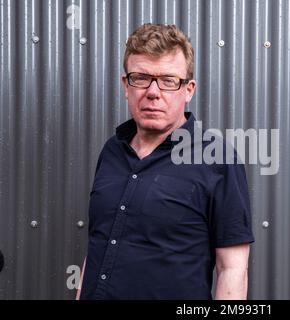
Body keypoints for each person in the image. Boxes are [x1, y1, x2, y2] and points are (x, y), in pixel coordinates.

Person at [77, 23, 254, 300]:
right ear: (126, 85)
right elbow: (98, 243)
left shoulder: (218, 159)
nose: (152, 92)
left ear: (188, 89)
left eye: (168, 81)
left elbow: (232, 269)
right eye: (141, 78)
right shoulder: (112, 150)